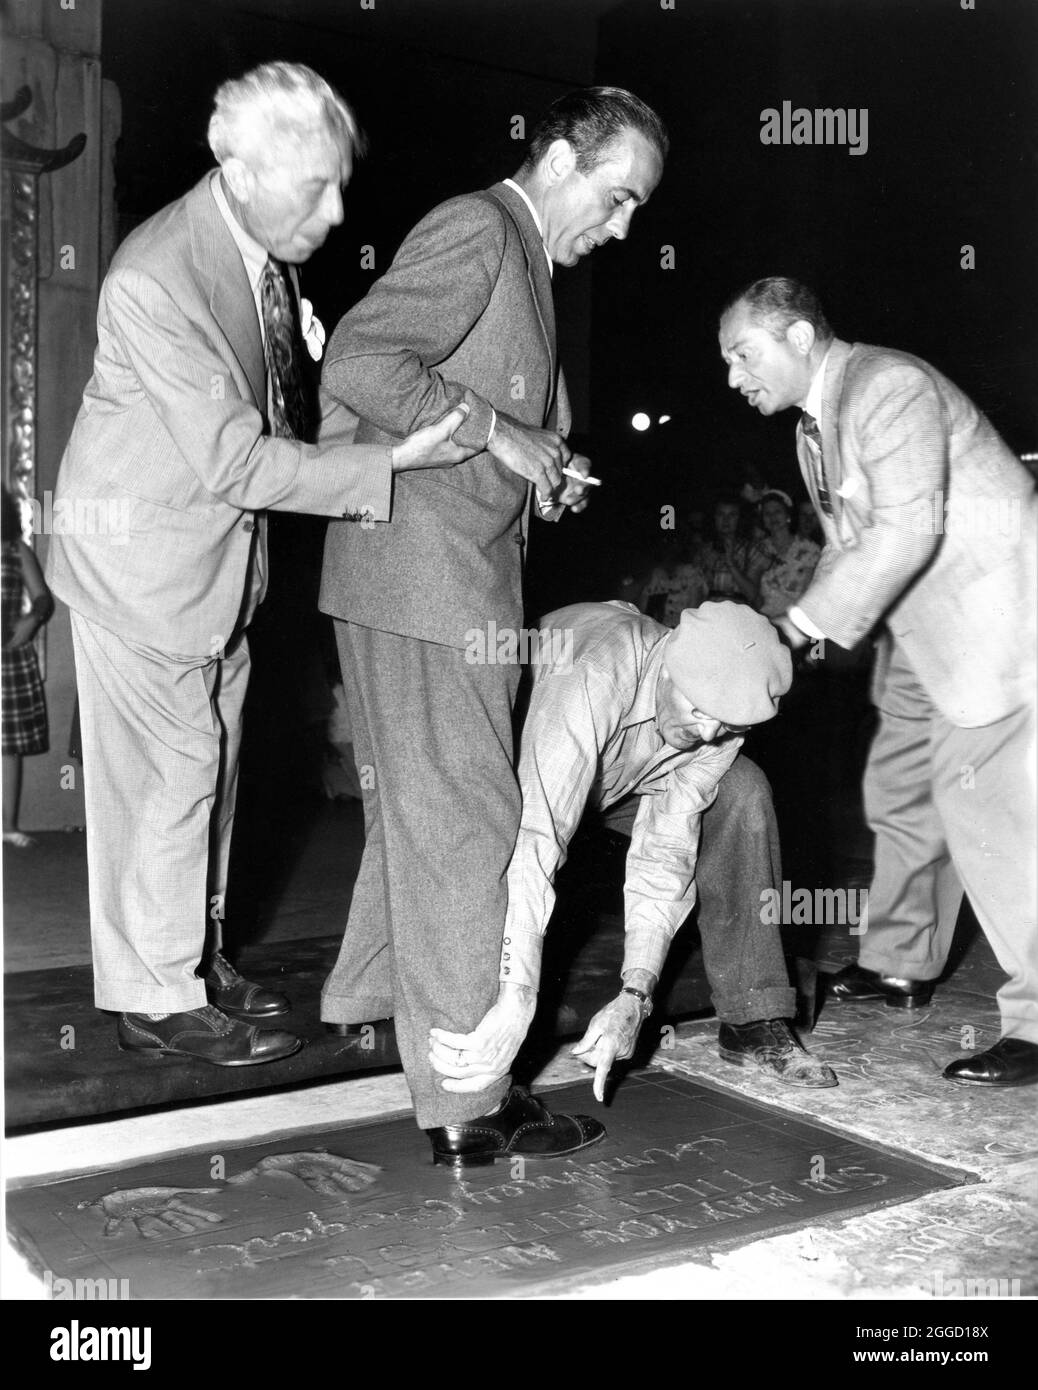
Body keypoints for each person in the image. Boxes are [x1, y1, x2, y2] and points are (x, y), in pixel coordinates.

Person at [46, 63, 472, 1067]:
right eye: (310, 189)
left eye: (337, 184)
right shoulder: (159, 276)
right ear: (235, 170)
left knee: (219, 768)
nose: (332, 213)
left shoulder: (254, 252)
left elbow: (279, 407)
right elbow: (236, 457)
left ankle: (190, 954)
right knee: (173, 773)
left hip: (217, 565)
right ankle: (155, 996)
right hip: (141, 566)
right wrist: (387, 465)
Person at [318, 86, 668, 1165]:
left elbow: (488, 424)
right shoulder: (482, 228)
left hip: (436, 582)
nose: (619, 230)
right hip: (422, 584)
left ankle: (370, 1007)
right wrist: (500, 434)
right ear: (561, 158)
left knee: (419, 814)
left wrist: (540, 471)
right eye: (616, 200)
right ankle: (469, 1101)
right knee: (468, 819)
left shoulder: (527, 263)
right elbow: (361, 362)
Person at [720, 275, 1038, 1087]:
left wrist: (802, 626)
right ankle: (901, 960)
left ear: (798, 337)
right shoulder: (812, 430)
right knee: (898, 785)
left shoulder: (888, 385)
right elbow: (846, 542)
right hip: (916, 624)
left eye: (742, 354)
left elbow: (905, 528)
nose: (732, 376)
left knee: (990, 808)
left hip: (988, 611)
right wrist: (794, 623)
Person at [428, 600, 837, 1118]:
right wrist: (519, 998)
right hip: (515, 774)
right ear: (667, 666)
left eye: (727, 725)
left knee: (742, 791)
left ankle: (753, 1014)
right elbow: (536, 834)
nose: (709, 735)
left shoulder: (720, 718)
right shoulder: (594, 672)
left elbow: (664, 852)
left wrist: (636, 995)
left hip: (616, 781)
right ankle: (476, 1001)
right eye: (700, 712)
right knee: (498, 847)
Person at [2, 486, 54, 847]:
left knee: (6, 746)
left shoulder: (15, 550)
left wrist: (31, 621)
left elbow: (43, 600)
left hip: (6, 655)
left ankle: (7, 827)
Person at [755, 488, 820, 619]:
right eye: (767, 513)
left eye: (777, 511)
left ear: (788, 515)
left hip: (796, 623)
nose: (772, 517)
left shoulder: (810, 549)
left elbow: (811, 593)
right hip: (764, 622)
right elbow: (752, 590)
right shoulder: (757, 549)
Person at [700, 495, 768, 603]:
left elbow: (753, 595)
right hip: (709, 613)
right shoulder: (705, 550)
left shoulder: (752, 551)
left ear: (740, 518)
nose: (725, 520)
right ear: (714, 518)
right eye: (721, 514)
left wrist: (731, 563)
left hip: (738, 614)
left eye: (732, 515)